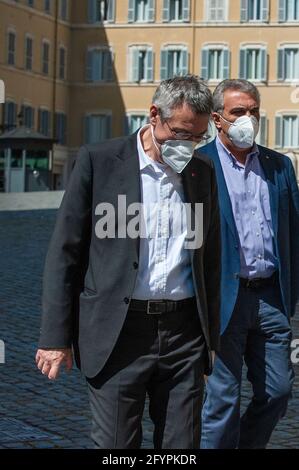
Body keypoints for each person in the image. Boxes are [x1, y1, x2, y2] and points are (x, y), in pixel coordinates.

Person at [35, 75, 221, 449]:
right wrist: (55, 338)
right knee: (117, 446)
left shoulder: (202, 173)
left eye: (198, 137)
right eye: (181, 132)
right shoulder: (98, 161)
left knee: (182, 447)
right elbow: (65, 253)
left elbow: (210, 260)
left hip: (183, 333)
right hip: (119, 332)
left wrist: (208, 343)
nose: (187, 145)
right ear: (154, 115)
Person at [199, 79, 299, 449]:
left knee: (278, 391)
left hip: (271, 297)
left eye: (253, 111)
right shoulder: (199, 164)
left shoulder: (279, 165)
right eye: (238, 112)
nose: (248, 119)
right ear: (217, 119)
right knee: (222, 399)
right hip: (225, 298)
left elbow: (293, 232)